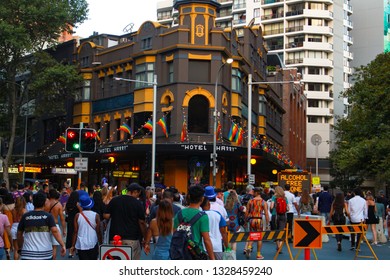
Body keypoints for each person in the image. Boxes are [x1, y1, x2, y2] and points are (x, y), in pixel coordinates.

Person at [103, 183, 147, 260]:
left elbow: (106, 215)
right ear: (135, 192)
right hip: (132, 238)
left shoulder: (115, 200)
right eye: (138, 194)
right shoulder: (137, 203)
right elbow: (142, 222)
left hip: (115, 238)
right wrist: (145, 237)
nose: (137, 197)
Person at [17, 192, 66, 259]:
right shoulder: (48, 216)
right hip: (45, 254)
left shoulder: (25, 216)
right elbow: (54, 231)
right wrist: (62, 245)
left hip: (28, 253)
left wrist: (20, 247)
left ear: (33, 202)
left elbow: (19, 233)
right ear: (44, 203)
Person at [172, 185, 215, 260]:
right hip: (195, 253)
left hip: (180, 253)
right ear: (202, 199)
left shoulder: (180, 213)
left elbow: (174, 232)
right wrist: (212, 259)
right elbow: (206, 240)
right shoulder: (203, 216)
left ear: (188, 197)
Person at [70, 194, 102, 260]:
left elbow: (75, 232)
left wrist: (73, 245)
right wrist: (101, 243)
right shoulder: (96, 215)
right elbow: (98, 231)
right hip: (93, 242)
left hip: (81, 243)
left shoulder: (77, 216)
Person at [245, 187, 269, 260]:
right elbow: (266, 213)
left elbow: (247, 211)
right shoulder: (263, 202)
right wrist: (267, 223)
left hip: (252, 220)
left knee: (252, 235)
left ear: (255, 193)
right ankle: (258, 254)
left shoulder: (250, 201)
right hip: (259, 220)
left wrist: (246, 221)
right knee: (259, 237)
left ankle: (249, 247)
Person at [45, 188, 67, 259]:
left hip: (46, 226)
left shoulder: (45, 203)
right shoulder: (58, 205)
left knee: (46, 246)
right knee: (54, 248)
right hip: (55, 225)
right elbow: (62, 219)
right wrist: (64, 229)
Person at [270, 186, 288, 253]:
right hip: (283, 215)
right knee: (281, 230)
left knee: (276, 231)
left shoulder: (274, 197)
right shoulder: (285, 198)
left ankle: (278, 246)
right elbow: (288, 208)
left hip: (275, 215)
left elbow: (271, 206)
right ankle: (280, 247)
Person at [65, 191, 80, 258]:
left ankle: (70, 251)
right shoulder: (77, 204)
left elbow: (66, 211)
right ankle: (75, 249)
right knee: (76, 234)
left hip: (70, 220)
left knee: (70, 234)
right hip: (76, 220)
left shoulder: (68, 203)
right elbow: (80, 211)